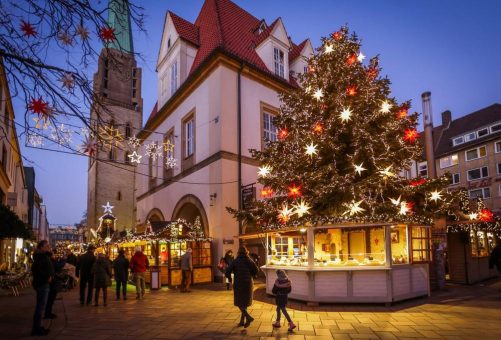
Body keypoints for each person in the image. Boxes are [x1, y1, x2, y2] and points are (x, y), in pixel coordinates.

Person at [225, 246, 259, 328]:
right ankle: (242, 321)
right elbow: (256, 270)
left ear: (238, 252)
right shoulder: (249, 260)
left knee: (240, 302)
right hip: (248, 284)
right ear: (246, 252)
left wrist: (229, 279)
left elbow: (227, 271)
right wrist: (252, 274)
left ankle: (248, 317)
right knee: (244, 302)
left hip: (239, 283)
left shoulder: (235, 261)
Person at [31, 240, 54, 336]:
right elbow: (37, 270)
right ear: (41, 247)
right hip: (42, 284)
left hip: (43, 283)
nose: (49, 247)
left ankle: (38, 326)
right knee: (40, 307)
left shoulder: (43, 256)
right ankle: (36, 329)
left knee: (41, 306)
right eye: (46, 246)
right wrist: (47, 277)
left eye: (49, 245)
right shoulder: (40, 257)